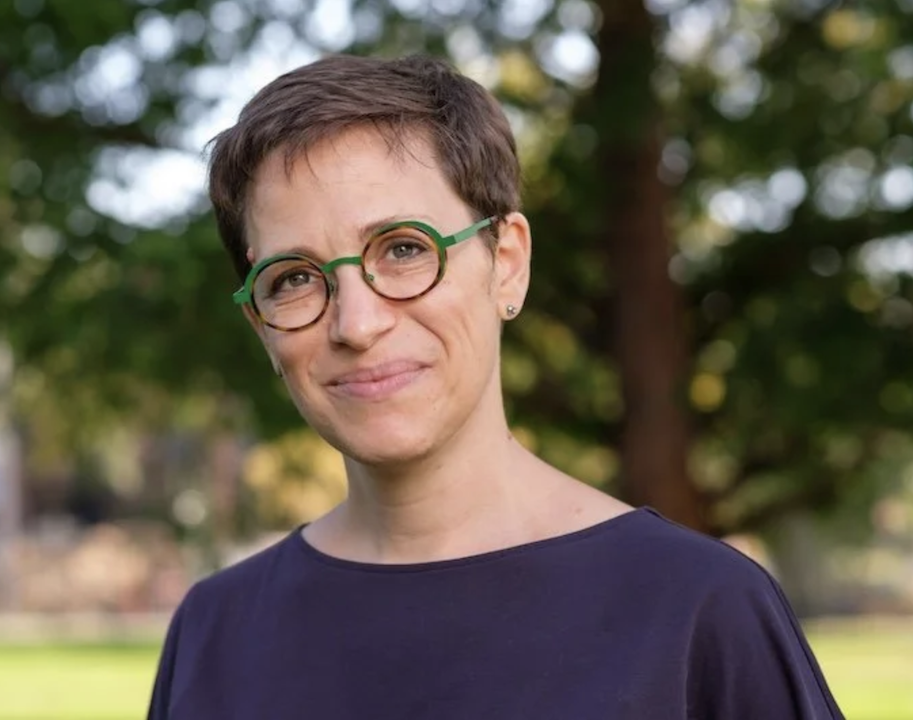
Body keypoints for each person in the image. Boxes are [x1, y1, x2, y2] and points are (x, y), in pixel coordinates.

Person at [147, 54, 844, 719]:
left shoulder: (700, 609)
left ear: (506, 263)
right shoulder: (214, 632)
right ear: (259, 323)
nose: (355, 325)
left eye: (404, 249)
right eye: (295, 278)